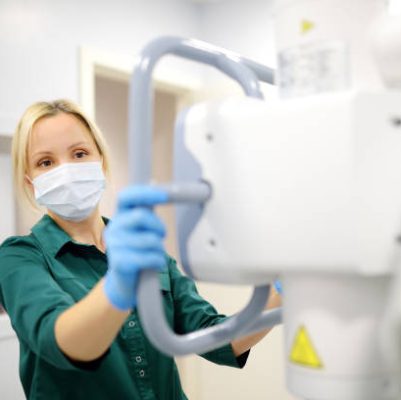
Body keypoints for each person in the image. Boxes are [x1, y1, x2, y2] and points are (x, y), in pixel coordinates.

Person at [0, 99, 281, 399]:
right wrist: (118, 284)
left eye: (79, 153)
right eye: (46, 162)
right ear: (31, 184)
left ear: (101, 162)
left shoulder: (148, 253)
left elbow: (216, 337)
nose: (66, 170)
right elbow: (60, 341)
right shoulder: (19, 258)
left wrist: (284, 291)